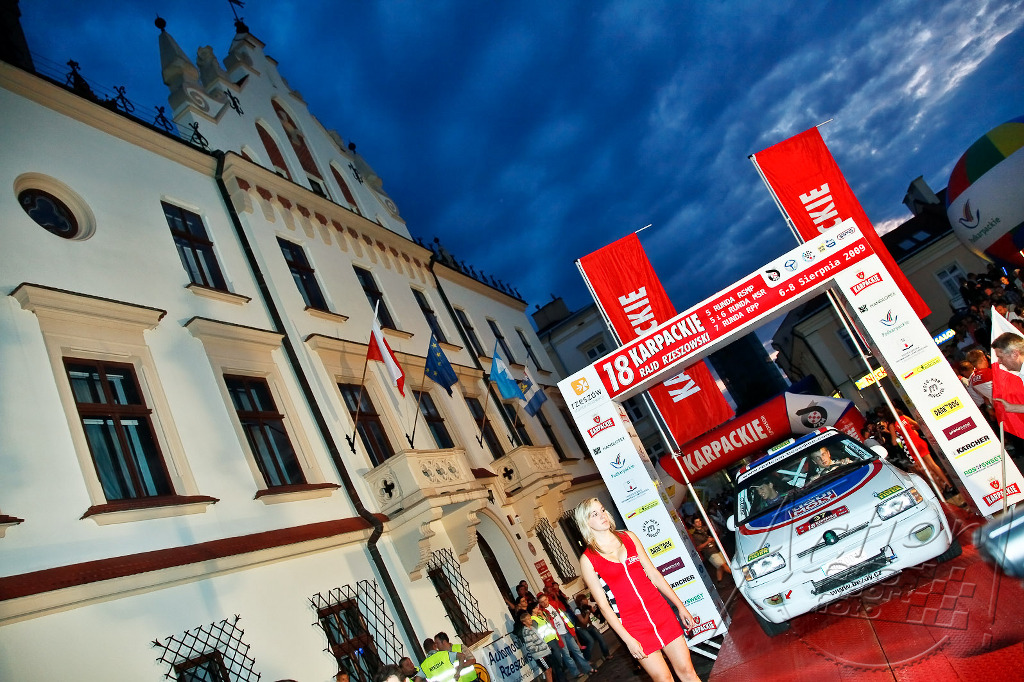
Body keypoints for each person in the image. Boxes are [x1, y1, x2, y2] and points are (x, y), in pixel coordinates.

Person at [574, 498, 700, 682]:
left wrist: (680, 606)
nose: (602, 515)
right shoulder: (588, 560)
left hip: (661, 612)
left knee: (687, 671)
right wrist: (627, 640)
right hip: (634, 626)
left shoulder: (629, 537)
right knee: (664, 679)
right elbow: (604, 606)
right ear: (586, 522)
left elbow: (654, 575)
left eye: (602, 510)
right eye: (595, 514)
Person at [538, 592, 592, 677]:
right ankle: (576, 673)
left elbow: (564, 616)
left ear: (547, 599)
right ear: (540, 603)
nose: (544, 602)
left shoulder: (554, 605)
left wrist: (570, 627)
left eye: (545, 600)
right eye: (542, 602)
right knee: (567, 655)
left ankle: (587, 668)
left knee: (576, 650)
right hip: (558, 635)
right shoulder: (542, 613)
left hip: (566, 630)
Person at [687, 516, 732, 583]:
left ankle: (719, 581)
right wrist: (708, 541)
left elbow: (715, 536)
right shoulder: (695, 535)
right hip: (709, 552)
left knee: (720, 566)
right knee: (722, 565)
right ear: (694, 525)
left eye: (699, 521)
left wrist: (713, 539)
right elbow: (699, 548)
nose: (699, 523)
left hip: (716, 548)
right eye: (696, 522)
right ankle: (734, 576)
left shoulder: (706, 528)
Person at [519, 609, 557, 682]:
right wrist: (542, 647)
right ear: (524, 622)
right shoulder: (526, 632)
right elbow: (530, 646)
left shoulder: (532, 628)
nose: (530, 620)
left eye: (530, 618)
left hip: (544, 652)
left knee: (550, 670)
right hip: (540, 655)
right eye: (528, 619)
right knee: (547, 671)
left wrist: (546, 646)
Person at [572, 594, 610, 663]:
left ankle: (606, 654)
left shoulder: (588, 607)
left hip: (589, 625)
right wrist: (587, 614)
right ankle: (587, 658)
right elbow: (583, 622)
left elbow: (597, 615)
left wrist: (599, 612)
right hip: (581, 628)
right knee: (590, 641)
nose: (587, 600)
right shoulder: (577, 610)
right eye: (585, 599)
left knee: (600, 638)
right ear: (581, 601)